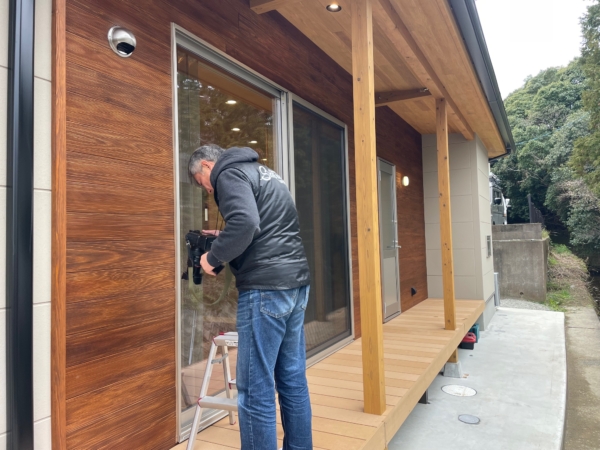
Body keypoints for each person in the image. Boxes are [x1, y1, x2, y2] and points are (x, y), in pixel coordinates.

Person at [188, 144, 313, 450]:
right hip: (295, 284)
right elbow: (266, 226)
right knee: (292, 379)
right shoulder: (263, 172)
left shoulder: (228, 174)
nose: (207, 191)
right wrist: (224, 238)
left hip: (265, 289)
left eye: (202, 183)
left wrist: (212, 258)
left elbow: (246, 223)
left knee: (255, 389)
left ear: (207, 166)